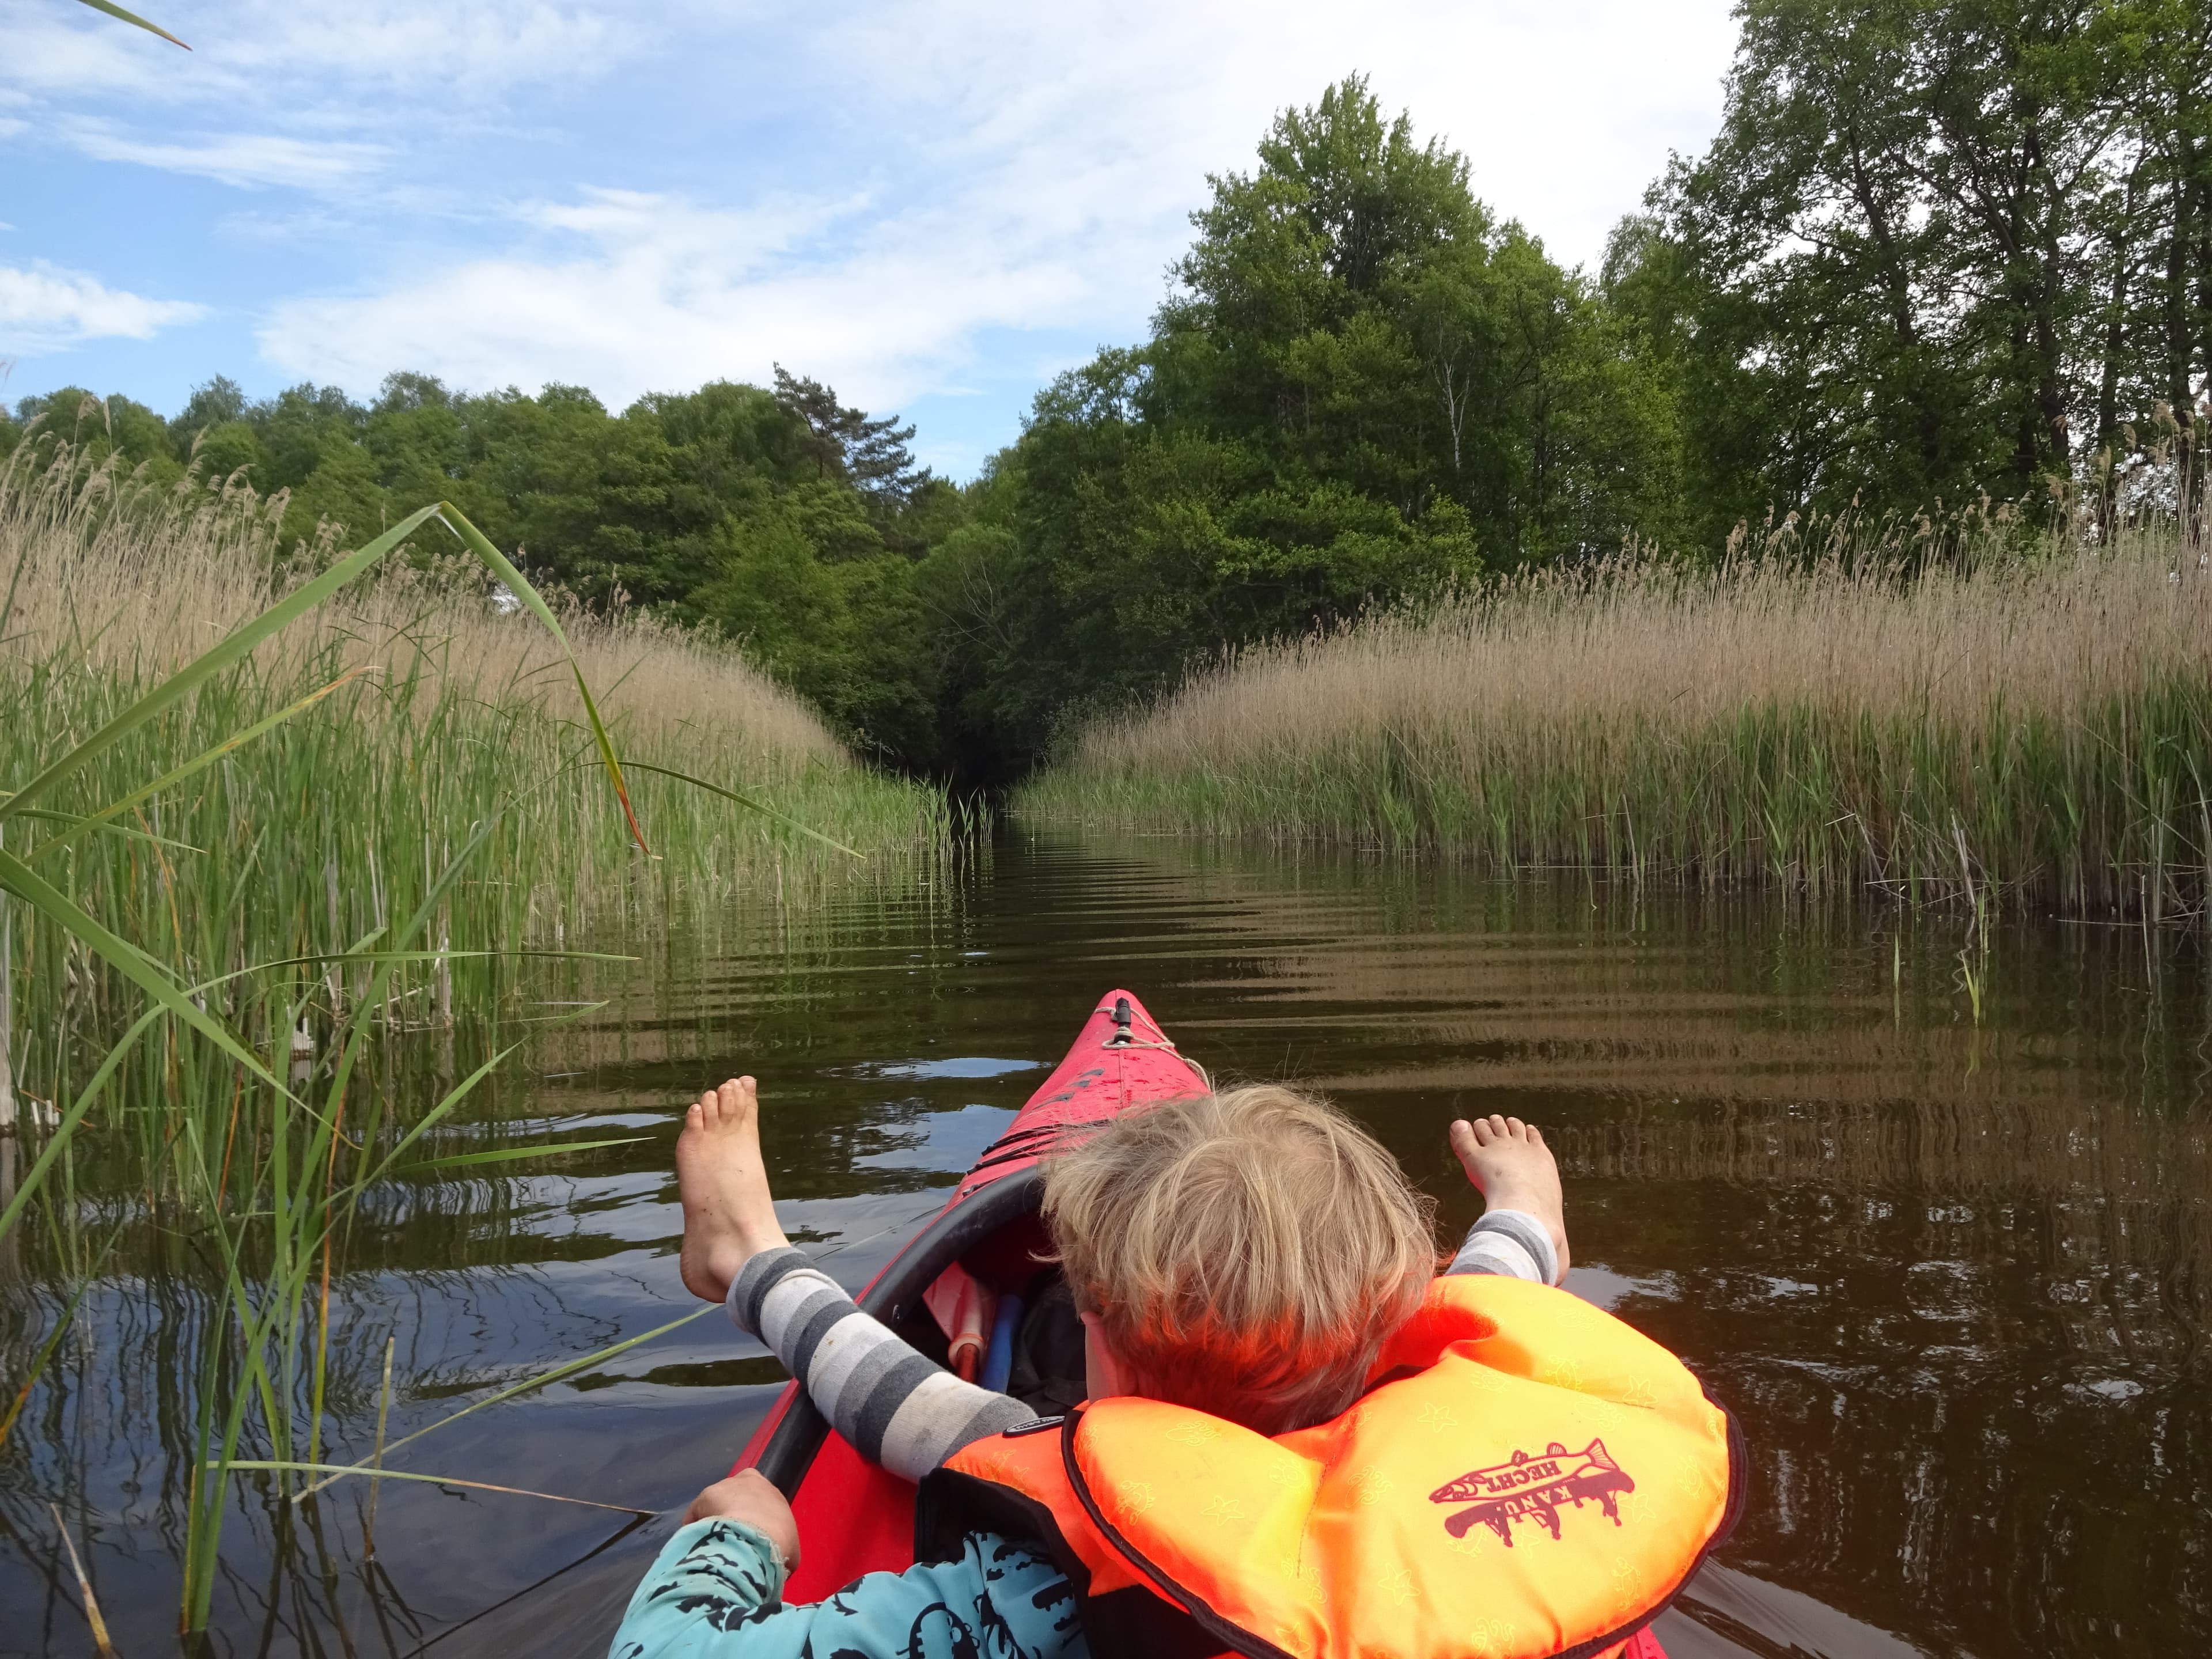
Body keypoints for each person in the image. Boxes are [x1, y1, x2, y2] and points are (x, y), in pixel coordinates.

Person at [611, 1077, 1730, 1659]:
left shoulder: (1042, 1604)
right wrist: (1523, 1216)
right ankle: (1536, 1213)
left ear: (1092, 1327)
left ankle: (749, 1259)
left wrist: (736, 1537)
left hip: (1106, 1552)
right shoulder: (1493, 1493)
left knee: (986, 1442)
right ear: (1395, 1331)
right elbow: (1494, 1299)